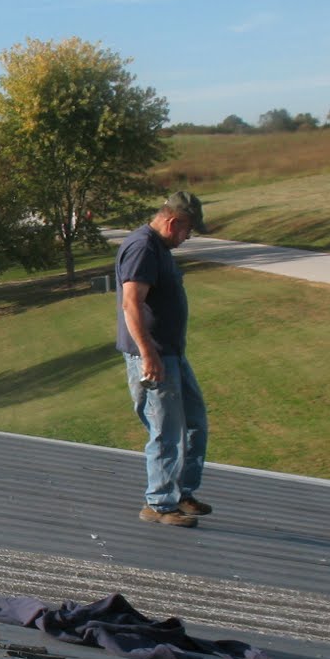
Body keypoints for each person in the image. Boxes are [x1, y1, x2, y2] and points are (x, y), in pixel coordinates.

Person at [115, 191, 210, 527]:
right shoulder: (143, 247)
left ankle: (181, 492)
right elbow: (131, 304)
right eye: (188, 231)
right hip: (154, 356)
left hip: (171, 354)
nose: (187, 238)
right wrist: (148, 355)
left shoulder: (159, 248)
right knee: (165, 429)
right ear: (173, 222)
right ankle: (158, 503)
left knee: (195, 421)